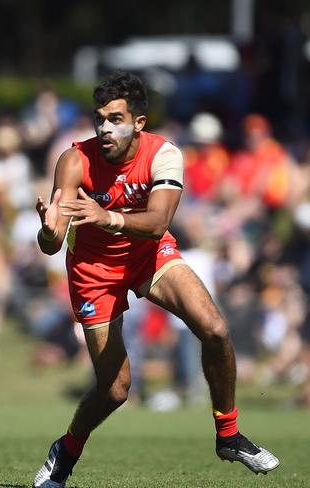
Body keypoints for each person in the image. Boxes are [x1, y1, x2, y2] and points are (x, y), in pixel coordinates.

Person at [32, 71, 279, 488]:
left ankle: (228, 434)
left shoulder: (165, 154)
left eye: (115, 119)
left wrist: (105, 216)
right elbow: (52, 244)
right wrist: (48, 229)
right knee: (115, 390)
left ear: (139, 123)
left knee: (215, 329)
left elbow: (158, 222)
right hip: (93, 271)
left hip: (149, 255)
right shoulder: (74, 159)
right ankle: (67, 449)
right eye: (99, 119)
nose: (105, 128)